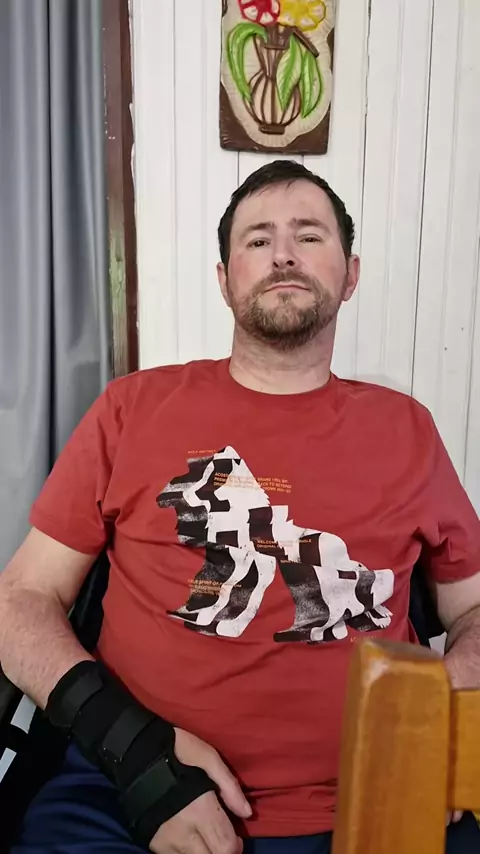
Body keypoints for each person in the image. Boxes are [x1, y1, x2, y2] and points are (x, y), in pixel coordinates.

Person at [1, 160, 480, 854]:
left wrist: (445, 718)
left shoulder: (408, 429)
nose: (283, 253)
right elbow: (21, 599)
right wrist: (134, 754)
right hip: (127, 790)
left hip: (378, 799)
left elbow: (473, 609)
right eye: (258, 239)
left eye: (308, 235)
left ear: (350, 275)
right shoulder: (132, 409)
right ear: (225, 280)